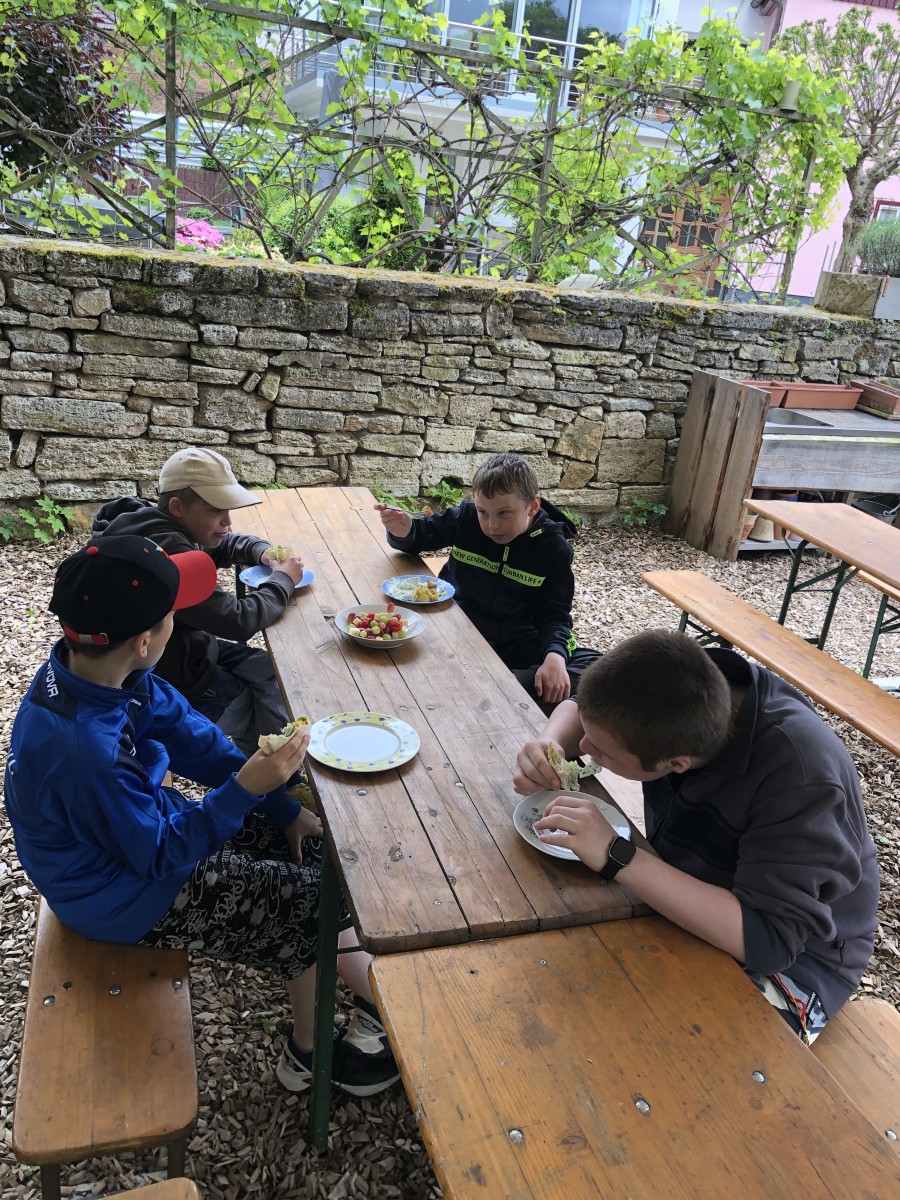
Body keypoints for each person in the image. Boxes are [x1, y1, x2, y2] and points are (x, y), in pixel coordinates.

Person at [4, 535, 399, 1096]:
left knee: (308, 844)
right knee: (310, 904)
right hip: (116, 895)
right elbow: (159, 854)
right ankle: (309, 1055)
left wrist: (280, 805)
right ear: (145, 641)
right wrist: (243, 791)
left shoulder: (109, 674)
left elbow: (196, 741)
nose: (180, 619)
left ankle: (353, 980)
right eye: (174, 613)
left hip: (139, 837)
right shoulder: (83, 750)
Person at [513, 630, 880, 1043]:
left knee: (647, 1045)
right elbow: (584, 706)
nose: (582, 747)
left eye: (601, 751)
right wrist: (549, 744)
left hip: (798, 964)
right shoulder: (681, 681)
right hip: (692, 890)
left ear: (676, 763)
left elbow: (768, 941)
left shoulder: (802, 779)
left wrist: (617, 854)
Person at [92, 446, 303, 758]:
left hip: (188, 649)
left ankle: (274, 763)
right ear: (178, 507)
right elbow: (238, 620)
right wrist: (283, 580)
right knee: (254, 713)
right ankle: (272, 776)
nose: (227, 521)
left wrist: (261, 553)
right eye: (217, 510)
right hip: (170, 677)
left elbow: (223, 543)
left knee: (267, 668)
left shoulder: (156, 524)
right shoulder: (167, 557)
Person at [375, 452, 599, 704]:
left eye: (504, 513)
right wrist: (403, 531)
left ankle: (500, 684)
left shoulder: (554, 548)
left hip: (517, 641)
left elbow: (555, 616)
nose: (492, 525)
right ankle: (505, 686)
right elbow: (421, 534)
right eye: (483, 512)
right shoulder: (467, 518)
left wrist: (555, 657)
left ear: (533, 506)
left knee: (601, 671)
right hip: (459, 628)